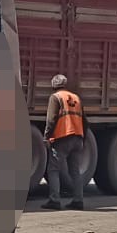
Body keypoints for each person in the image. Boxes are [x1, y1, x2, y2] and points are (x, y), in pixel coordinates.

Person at [42, 73, 87, 210]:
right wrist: (82, 137)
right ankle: (78, 201)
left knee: (53, 169)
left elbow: (51, 119)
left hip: (62, 138)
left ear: (53, 85)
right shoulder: (76, 98)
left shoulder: (55, 97)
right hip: (77, 138)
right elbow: (84, 120)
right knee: (75, 171)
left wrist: (46, 137)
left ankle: (54, 200)